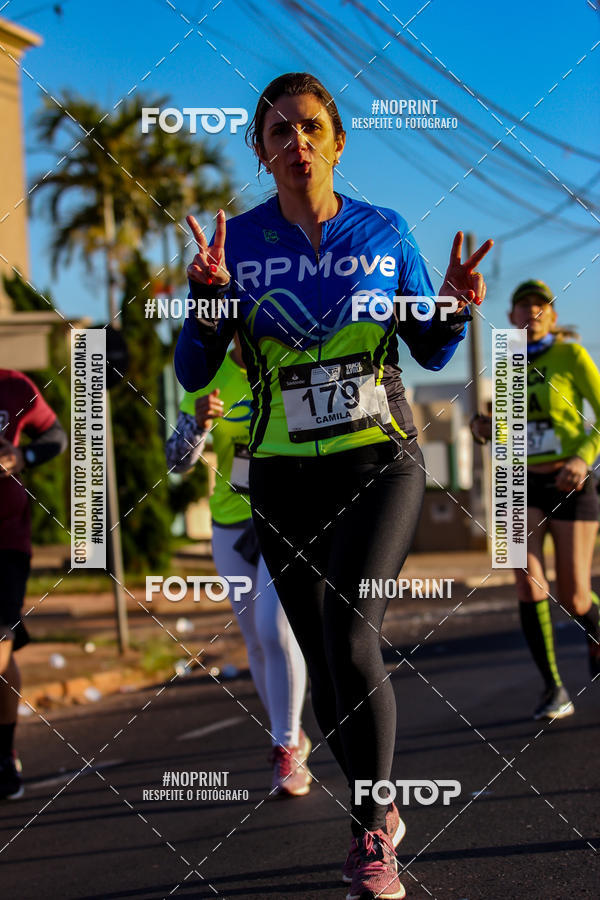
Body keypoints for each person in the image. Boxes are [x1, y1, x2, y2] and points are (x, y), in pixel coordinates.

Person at [175, 72, 492, 900]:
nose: (296, 141)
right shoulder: (234, 245)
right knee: (319, 659)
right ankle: (377, 812)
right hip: (280, 473)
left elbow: (426, 350)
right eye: (278, 131)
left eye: (310, 126)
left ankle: (369, 833)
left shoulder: (383, 230)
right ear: (261, 150)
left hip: (379, 460)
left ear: (338, 140)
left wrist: (452, 308)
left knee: (352, 636)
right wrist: (205, 301)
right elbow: (193, 367)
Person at [165, 334, 312, 797]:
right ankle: (290, 735)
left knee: (275, 629)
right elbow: (177, 462)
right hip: (231, 523)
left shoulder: (293, 361)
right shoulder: (210, 379)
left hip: (286, 517)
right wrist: (198, 426)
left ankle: (286, 745)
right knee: (254, 638)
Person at [471, 280, 600, 721]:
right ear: (510, 317)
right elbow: (506, 429)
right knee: (525, 579)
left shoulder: (571, 356)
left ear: (553, 317)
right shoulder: (507, 360)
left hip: (569, 482)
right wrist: (483, 427)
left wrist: (583, 460)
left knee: (576, 598)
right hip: (518, 482)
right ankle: (554, 688)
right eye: (522, 305)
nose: (531, 312)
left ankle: (596, 630)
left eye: (540, 306)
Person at [0, 369, 68, 800]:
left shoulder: (14, 386)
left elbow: (55, 437)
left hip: (6, 537)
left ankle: (3, 756)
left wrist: (21, 456)